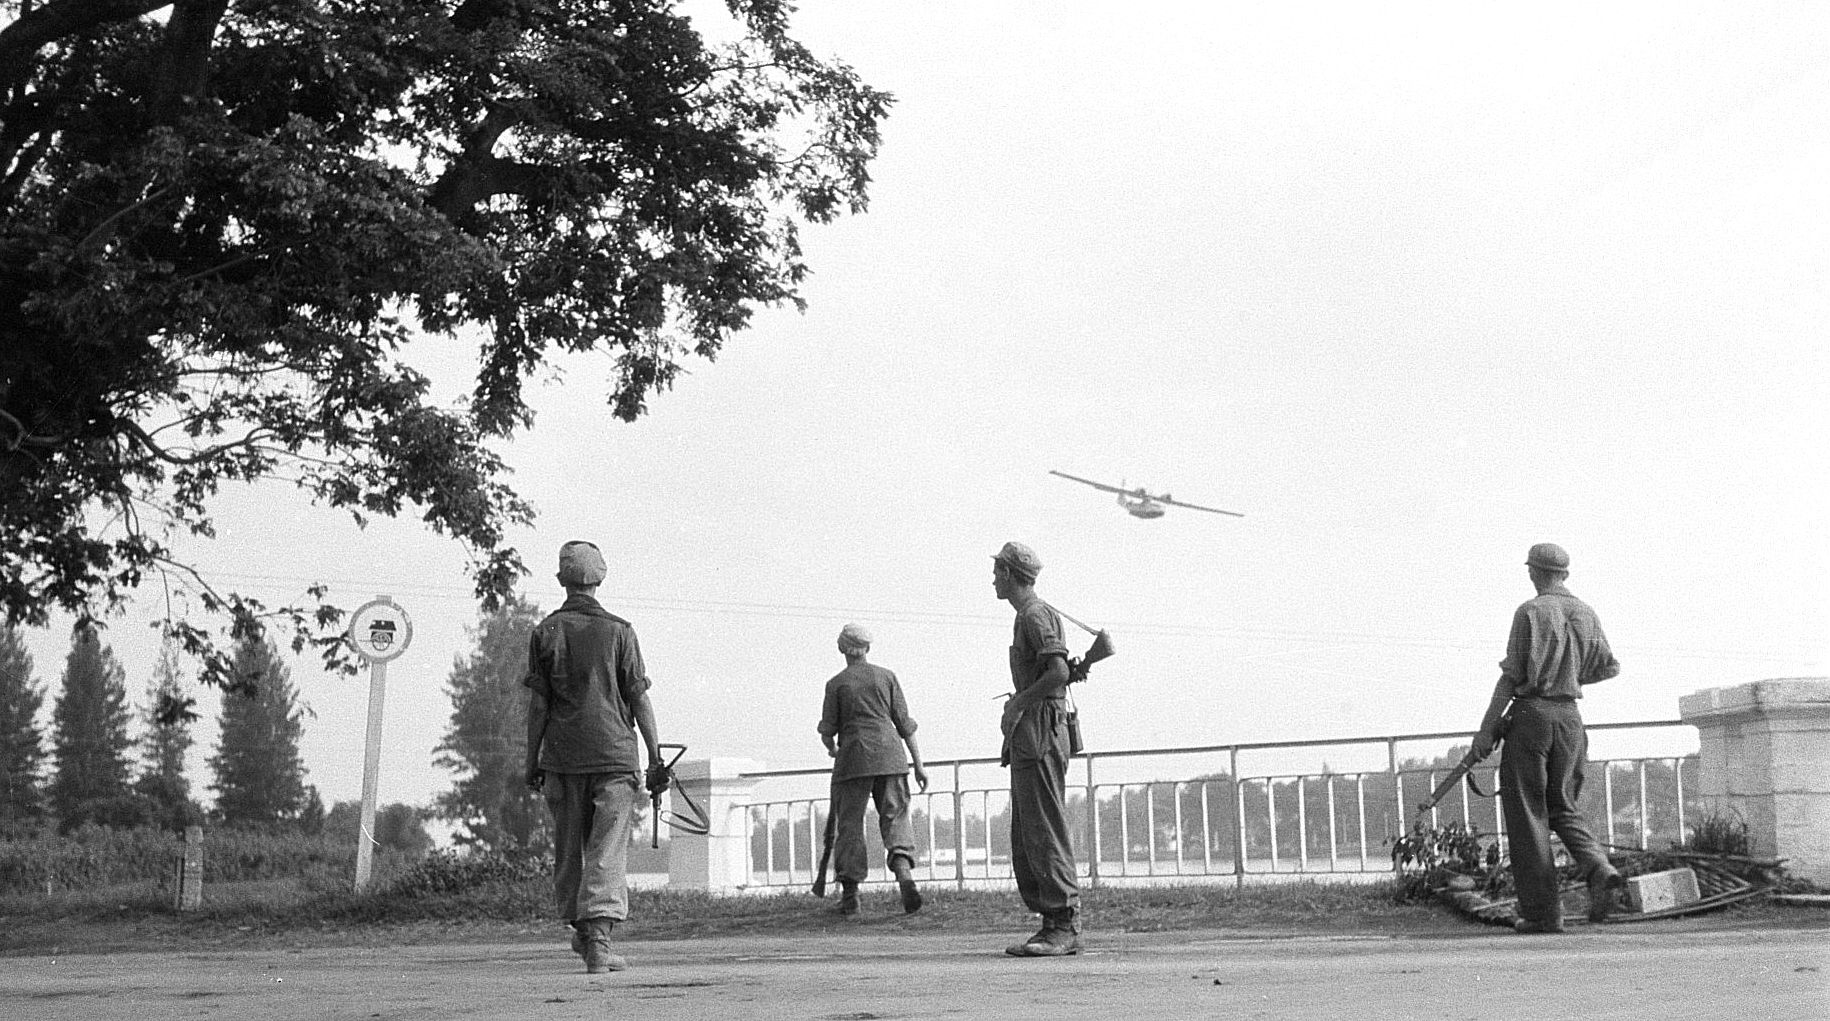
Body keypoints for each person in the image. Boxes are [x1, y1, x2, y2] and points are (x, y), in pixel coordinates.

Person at [524, 540, 669, 973]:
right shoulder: (621, 631)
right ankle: (599, 943)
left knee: (569, 851)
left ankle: (586, 937)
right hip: (614, 757)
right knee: (607, 850)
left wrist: (532, 761)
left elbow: (538, 707)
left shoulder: (545, 632)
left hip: (563, 758)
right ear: (600, 578)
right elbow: (639, 700)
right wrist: (655, 756)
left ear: (561, 580)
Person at [1468, 542, 1626, 933]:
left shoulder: (1530, 612)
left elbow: (1511, 675)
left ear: (1533, 572)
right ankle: (1600, 867)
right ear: (1566, 575)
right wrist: (1567, 675)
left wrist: (1487, 729)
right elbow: (1609, 668)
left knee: (1528, 816)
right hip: (1570, 719)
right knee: (1564, 808)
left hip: (1532, 717)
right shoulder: (1586, 612)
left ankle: (1542, 914)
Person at [991, 541, 1082, 956]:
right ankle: (1052, 924)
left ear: (1011, 574)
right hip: (1036, 729)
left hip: (1041, 729)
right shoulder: (1029, 616)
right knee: (1031, 830)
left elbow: (1058, 672)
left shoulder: (1033, 616)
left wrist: (1017, 703)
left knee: (1044, 828)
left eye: (998, 571)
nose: (994, 579)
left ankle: (1062, 926)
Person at [817, 623, 930, 916]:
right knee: (895, 818)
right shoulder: (887, 677)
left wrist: (833, 750)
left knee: (850, 826)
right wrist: (917, 764)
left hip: (853, 759)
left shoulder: (836, 684)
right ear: (867, 648)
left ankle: (851, 895)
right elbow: (904, 724)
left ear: (842, 648)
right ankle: (904, 874)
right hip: (892, 756)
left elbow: (827, 733)